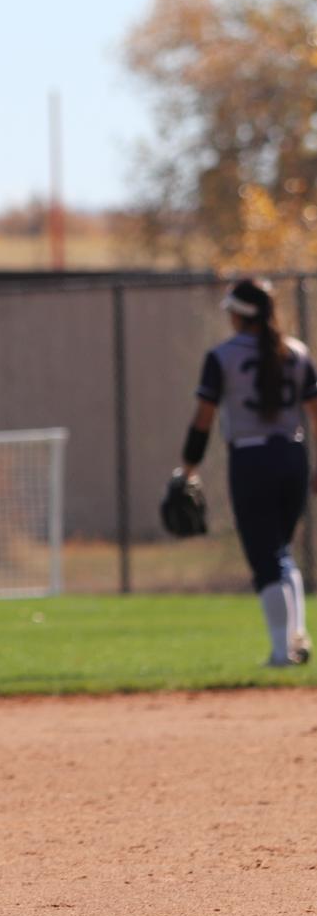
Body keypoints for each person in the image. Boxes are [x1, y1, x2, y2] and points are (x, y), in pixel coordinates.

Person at [180, 276, 317, 666]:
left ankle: (280, 653)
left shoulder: (222, 356)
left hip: (252, 460)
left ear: (240, 316)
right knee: (281, 551)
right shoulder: (297, 351)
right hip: (293, 457)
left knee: (264, 557)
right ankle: (296, 638)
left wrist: (188, 467)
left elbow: (203, 419)